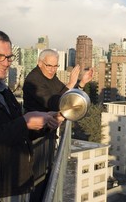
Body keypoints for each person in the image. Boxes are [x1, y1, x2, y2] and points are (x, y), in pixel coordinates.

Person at [0, 28, 63, 202]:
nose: (6, 63)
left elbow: (17, 131)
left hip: (16, 186)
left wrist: (46, 122)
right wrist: (23, 123)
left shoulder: (1, 89)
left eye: (9, 57)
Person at [22, 49, 94, 201]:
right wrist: (71, 83)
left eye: (55, 66)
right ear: (39, 63)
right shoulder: (33, 81)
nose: (52, 70)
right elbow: (56, 102)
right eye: (49, 66)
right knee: (36, 183)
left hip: (47, 134)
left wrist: (81, 83)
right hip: (34, 139)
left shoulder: (51, 77)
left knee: (46, 175)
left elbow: (66, 96)